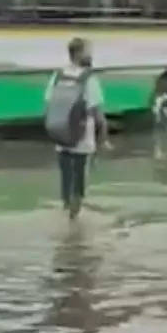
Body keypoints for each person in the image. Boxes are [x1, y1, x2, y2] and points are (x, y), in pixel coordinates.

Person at [44, 37, 108, 218]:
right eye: (88, 51)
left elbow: (49, 103)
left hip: (61, 134)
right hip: (82, 138)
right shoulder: (88, 78)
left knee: (66, 180)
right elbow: (98, 115)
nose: (91, 55)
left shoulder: (58, 75)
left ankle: (66, 213)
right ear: (79, 54)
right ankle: (74, 224)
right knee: (79, 183)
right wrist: (104, 139)